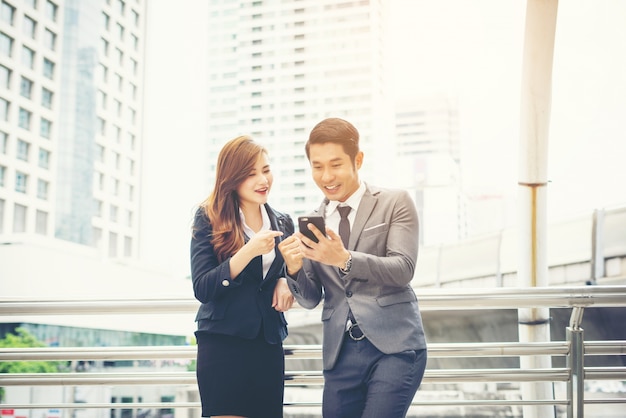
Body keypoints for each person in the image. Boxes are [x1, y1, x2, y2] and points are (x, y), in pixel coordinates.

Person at [279, 117, 428, 418]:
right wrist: (293, 270)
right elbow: (310, 298)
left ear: (357, 160)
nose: (326, 176)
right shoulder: (312, 221)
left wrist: (344, 259)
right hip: (340, 354)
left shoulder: (395, 203)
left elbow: (403, 268)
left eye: (335, 164)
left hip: (395, 347)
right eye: (317, 166)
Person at [190, 135, 296, 418]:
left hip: (268, 343)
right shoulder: (208, 217)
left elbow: (287, 269)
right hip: (223, 343)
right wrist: (246, 252)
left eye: (266, 170)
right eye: (251, 174)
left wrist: (285, 280)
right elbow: (202, 287)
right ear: (232, 178)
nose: (263, 180)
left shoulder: (283, 221)